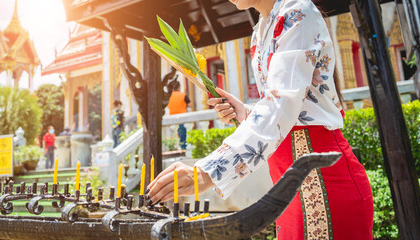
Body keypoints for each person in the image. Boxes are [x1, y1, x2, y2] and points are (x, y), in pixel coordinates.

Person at [147, 0, 374, 239]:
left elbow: (280, 105)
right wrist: (246, 113)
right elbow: (287, 106)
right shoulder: (261, 30)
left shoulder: (297, 12)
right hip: (285, 191)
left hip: (324, 186)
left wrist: (210, 171)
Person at [167, 81, 191, 150]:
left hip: (172, 118)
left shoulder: (169, 96)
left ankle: (176, 148)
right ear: (179, 87)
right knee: (182, 134)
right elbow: (190, 105)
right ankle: (183, 148)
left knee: (175, 135)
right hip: (182, 117)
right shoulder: (182, 95)